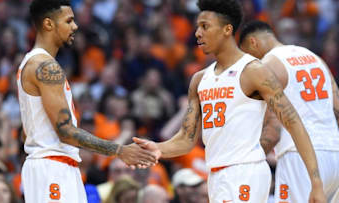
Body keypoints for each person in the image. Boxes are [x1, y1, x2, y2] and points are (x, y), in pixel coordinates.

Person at [133, 0, 326, 202]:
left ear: (227, 29)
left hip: (245, 172)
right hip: (215, 175)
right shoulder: (199, 79)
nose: (198, 33)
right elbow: (185, 139)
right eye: (197, 26)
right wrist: (158, 148)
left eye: (205, 26)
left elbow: (293, 123)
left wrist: (316, 182)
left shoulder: (253, 70)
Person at [18, 1, 158, 202]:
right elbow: (65, 131)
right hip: (52, 167)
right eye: (69, 21)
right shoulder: (45, 66)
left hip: (53, 165)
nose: (75, 26)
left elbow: (26, 133)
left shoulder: (32, 63)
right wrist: (119, 150)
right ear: (48, 24)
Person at [239, 20, 339, 203]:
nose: (250, 62)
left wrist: (244, 165)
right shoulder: (316, 58)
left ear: (254, 42)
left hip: (300, 158)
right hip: (334, 154)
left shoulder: (268, 65)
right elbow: (337, 108)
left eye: (248, 55)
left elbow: (273, 131)